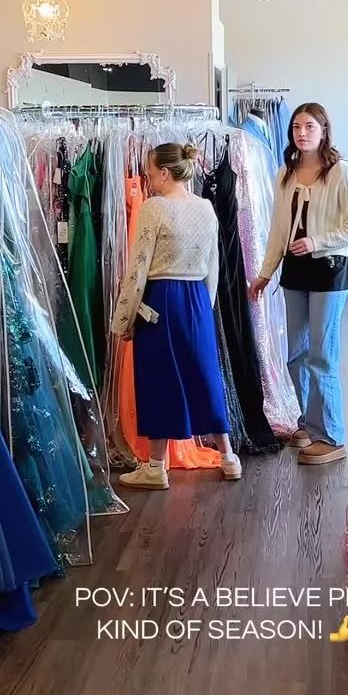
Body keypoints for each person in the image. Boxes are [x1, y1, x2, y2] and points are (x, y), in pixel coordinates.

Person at [111, 142, 242, 490]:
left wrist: (124, 318)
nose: (148, 177)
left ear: (165, 173)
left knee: (159, 378)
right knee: (204, 374)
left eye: (150, 172)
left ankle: (156, 466)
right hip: (197, 297)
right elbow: (213, 265)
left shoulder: (154, 208)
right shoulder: (205, 208)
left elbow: (139, 266)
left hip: (161, 299)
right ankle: (228, 457)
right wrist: (204, 307)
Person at [249, 103, 348, 465]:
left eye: (310, 127)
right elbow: (278, 231)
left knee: (322, 354)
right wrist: (265, 273)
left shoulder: (341, 172)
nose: (302, 133)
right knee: (297, 354)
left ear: (324, 130)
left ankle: (331, 435)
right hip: (295, 270)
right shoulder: (285, 173)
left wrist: (317, 241)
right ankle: (309, 422)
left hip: (329, 269)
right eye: (297, 127)